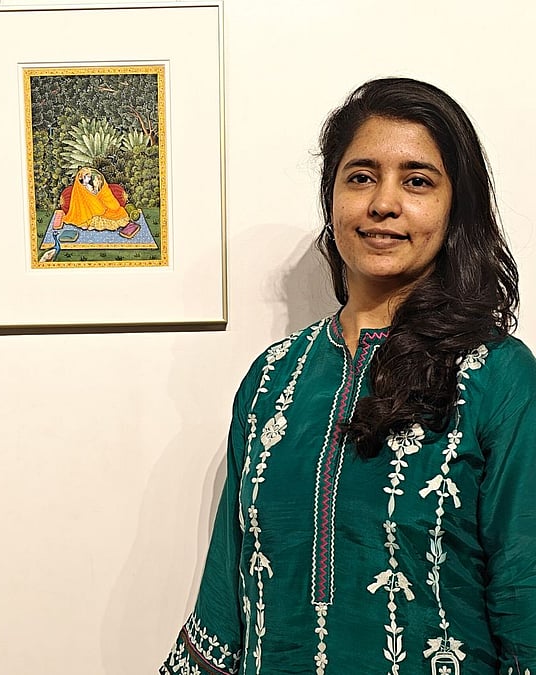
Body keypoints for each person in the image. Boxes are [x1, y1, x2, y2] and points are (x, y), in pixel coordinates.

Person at [161, 78, 536, 673]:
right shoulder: (273, 379)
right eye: (361, 177)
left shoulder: (497, 374)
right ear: (331, 196)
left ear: (455, 206)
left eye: (417, 181)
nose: (383, 203)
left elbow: (524, 590)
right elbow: (226, 595)